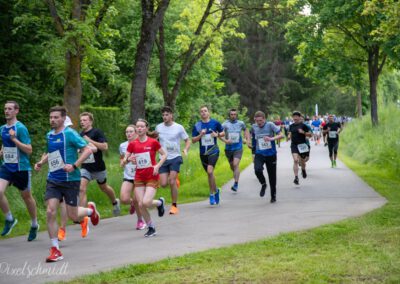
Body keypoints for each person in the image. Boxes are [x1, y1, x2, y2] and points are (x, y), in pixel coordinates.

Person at [34, 106, 100, 262]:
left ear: (64, 118)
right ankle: (55, 249)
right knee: (50, 211)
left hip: (71, 180)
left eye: (56, 117)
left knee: (73, 215)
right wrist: (41, 163)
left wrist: (74, 165)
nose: (52, 120)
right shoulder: (49, 135)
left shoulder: (70, 134)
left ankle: (90, 211)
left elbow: (87, 150)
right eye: (51, 117)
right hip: (53, 179)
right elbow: (50, 153)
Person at [0, 101, 38, 241]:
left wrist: (14, 139)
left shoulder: (21, 128)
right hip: (6, 166)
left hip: (21, 167)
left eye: (10, 109)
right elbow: (5, 144)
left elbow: (29, 149)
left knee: (26, 197)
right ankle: (9, 219)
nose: (7, 111)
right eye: (5, 109)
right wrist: (2, 152)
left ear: (16, 111)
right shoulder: (2, 128)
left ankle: (34, 224)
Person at [123, 119, 167, 237]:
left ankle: (159, 203)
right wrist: (128, 160)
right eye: (138, 127)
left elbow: (164, 154)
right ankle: (151, 227)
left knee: (146, 202)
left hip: (152, 176)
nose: (140, 128)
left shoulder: (153, 142)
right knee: (141, 204)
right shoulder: (132, 144)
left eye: (142, 126)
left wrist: (157, 165)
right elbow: (124, 161)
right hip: (139, 177)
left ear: (146, 129)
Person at [79, 112, 120, 215]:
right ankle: (84, 215)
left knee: (104, 187)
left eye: (85, 120)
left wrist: (90, 140)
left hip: (98, 168)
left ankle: (115, 202)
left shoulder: (97, 132)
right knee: (81, 188)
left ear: (91, 121)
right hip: (86, 167)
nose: (82, 122)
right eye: (81, 120)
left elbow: (105, 147)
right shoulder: (79, 135)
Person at [155, 106, 190, 215]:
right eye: (163, 115)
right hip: (163, 158)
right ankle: (174, 180)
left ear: (171, 115)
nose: (164, 117)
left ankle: (174, 206)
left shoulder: (179, 127)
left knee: (171, 181)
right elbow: (154, 140)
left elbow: (187, 140)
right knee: (164, 183)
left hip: (175, 157)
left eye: (167, 115)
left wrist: (185, 149)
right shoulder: (158, 127)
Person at [191, 105, 224, 205]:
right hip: (203, 153)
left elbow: (223, 133)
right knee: (210, 174)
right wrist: (201, 135)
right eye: (201, 111)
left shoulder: (215, 123)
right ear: (200, 114)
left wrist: (217, 135)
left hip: (214, 151)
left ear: (208, 112)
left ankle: (211, 195)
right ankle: (216, 191)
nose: (203, 113)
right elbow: (193, 140)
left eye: (205, 111)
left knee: (210, 171)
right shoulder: (197, 125)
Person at [249, 111, 283, 203]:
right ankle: (263, 184)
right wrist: (249, 143)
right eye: (257, 121)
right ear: (255, 120)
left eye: (261, 121)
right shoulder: (254, 126)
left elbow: (281, 135)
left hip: (271, 154)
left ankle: (273, 196)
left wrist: (271, 138)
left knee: (272, 176)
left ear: (264, 119)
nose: (259, 123)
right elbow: (250, 134)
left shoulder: (270, 125)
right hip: (259, 153)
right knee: (257, 170)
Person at [119, 125, 146, 230]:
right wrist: (128, 160)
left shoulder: (142, 143)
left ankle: (140, 220)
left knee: (136, 199)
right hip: (128, 175)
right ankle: (132, 204)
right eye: (126, 132)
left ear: (136, 133)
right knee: (124, 199)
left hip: (140, 176)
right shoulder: (122, 146)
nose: (128, 134)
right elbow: (121, 163)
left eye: (131, 132)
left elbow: (148, 160)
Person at [220, 108, 249, 192]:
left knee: (236, 164)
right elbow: (219, 134)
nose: (233, 116)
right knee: (232, 166)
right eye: (231, 114)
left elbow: (246, 130)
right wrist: (225, 141)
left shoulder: (241, 123)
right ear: (229, 115)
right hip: (228, 149)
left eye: (234, 114)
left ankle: (236, 184)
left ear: (236, 115)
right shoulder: (225, 124)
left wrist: (245, 138)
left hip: (238, 148)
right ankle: (236, 173)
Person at [288, 111, 312, 185]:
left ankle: (303, 170)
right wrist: (289, 136)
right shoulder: (291, 126)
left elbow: (310, 134)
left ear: (299, 117)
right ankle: (296, 177)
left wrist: (303, 133)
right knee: (295, 160)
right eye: (294, 116)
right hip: (294, 145)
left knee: (302, 161)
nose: (295, 118)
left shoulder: (303, 125)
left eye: (296, 116)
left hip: (302, 145)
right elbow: (290, 133)